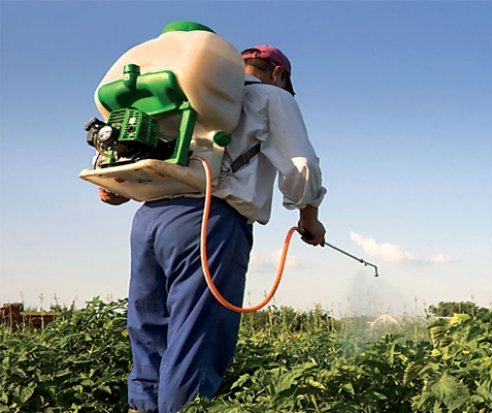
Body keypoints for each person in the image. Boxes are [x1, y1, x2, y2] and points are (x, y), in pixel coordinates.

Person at [100, 45, 327, 413]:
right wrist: (309, 216)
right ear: (278, 74)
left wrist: (117, 186)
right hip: (207, 220)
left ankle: (141, 407)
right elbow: (301, 165)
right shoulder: (270, 96)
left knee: (148, 330)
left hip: (149, 220)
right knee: (196, 339)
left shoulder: (189, 92)